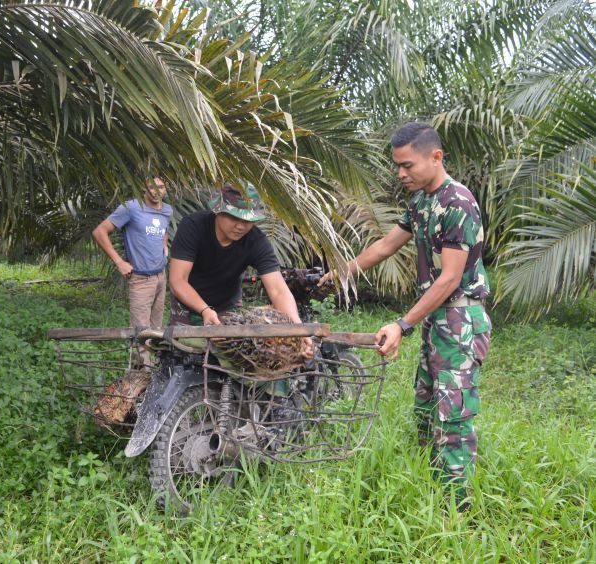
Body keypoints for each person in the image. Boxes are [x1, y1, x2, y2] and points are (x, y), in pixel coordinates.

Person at [321, 121, 491, 511]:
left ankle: (455, 508)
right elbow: (383, 246)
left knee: (453, 414)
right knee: (426, 405)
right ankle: (429, 485)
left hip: (460, 320)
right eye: (397, 165)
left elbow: (449, 279)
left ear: (436, 157)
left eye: (407, 165)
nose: (400, 173)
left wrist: (402, 324)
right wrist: (342, 272)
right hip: (436, 319)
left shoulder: (458, 204)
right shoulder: (420, 203)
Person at [168, 182, 310, 348]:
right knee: (181, 355)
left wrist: (298, 330)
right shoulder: (193, 226)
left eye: (248, 220)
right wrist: (205, 310)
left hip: (228, 307)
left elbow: (278, 290)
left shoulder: (256, 241)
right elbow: (178, 280)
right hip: (188, 306)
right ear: (218, 211)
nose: (241, 226)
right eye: (235, 218)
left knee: (230, 360)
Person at [92, 176, 172, 367]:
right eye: (151, 187)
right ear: (143, 188)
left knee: (156, 328)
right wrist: (119, 262)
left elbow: (163, 231)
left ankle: (156, 370)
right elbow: (99, 232)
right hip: (141, 278)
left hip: (160, 276)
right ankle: (140, 374)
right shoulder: (131, 208)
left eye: (160, 187)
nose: (156, 191)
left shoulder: (167, 210)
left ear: (165, 189)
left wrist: (164, 249)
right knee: (141, 331)